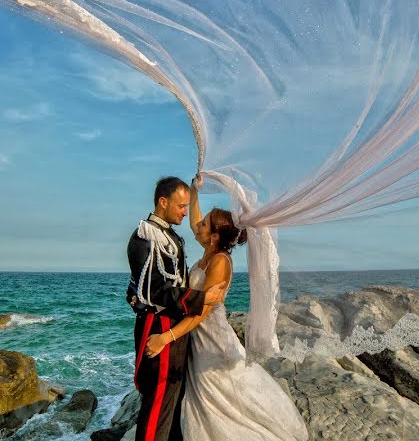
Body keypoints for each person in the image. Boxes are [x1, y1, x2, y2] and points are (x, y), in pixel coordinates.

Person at [145, 175, 308, 440]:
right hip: (198, 337)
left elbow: (202, 312)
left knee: (224, 390)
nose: (197, 225)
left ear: (215, 235)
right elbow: (197, 218)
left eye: (204, 224)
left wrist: (166, 337)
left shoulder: (220, 262)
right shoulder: (209, 250)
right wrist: (195, 192)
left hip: (212, 337)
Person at [127, 176, 227, 441]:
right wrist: (200, 298)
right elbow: (152, 289)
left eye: (186, 206)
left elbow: (141, 285)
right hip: (159, 326)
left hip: (175, 326)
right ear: (163, 202)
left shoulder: (169, 236)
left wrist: (195, 192)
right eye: (181, 206)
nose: (186, 212)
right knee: (159, 398)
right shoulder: (144, 236)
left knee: (172, 397)